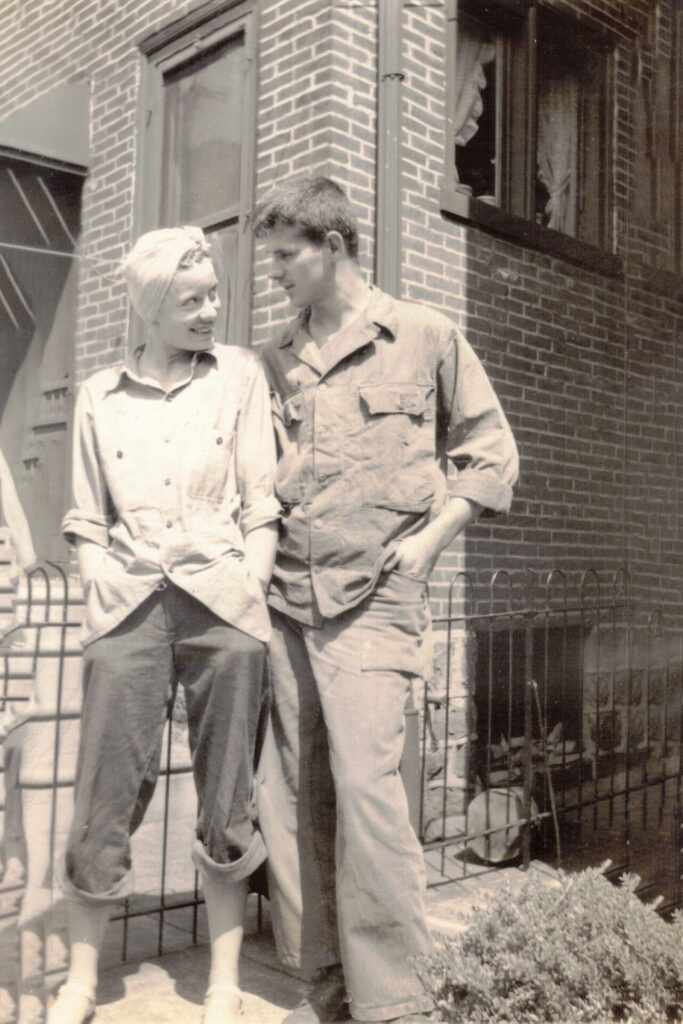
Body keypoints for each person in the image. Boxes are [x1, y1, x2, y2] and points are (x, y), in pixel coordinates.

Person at [254, 177, 519, 1024]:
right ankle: (325, 985)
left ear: (332, 246)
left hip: (374, 597)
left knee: (366, 791)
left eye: (285, 256)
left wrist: (429, 541)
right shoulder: (273, 358)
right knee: (292, 796)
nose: (276, 275)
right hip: (289, 598)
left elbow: (490, 455)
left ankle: (396, 1001)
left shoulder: (425, 335)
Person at [50, 227, 280, 1024]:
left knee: (228, 795)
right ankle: (81, 981)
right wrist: (95, 574)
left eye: (214, 296)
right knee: (104, 790)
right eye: (192, 301)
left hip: (223, 606)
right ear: (150, 306)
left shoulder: (239, 378)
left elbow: (262, 502)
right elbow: (84, 516)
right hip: (130, 607)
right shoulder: (97, 397)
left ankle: (221, 983)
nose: (211, 311)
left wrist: (250, 581)